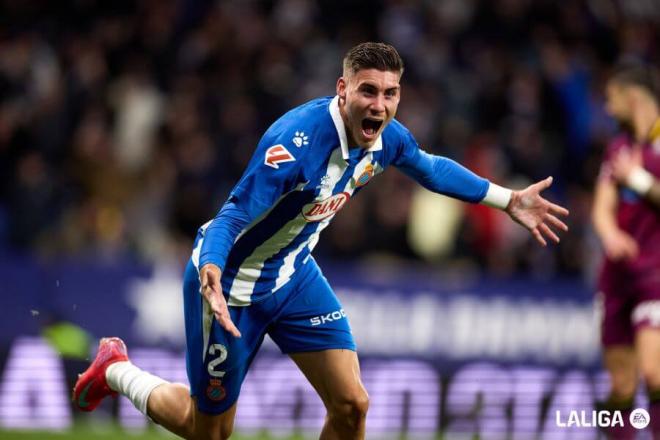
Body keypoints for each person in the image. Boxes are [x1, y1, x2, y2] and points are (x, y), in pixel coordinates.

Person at [73, 42, 568, 440]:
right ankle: (116, 369)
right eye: (368, 91)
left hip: (293, 275)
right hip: (232, 286)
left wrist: (507, 200)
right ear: (342, 90)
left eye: (390, 94)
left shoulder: (387, 136)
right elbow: (234, 213)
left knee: (352, 406)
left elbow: (430, 166)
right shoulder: (294, 146)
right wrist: (213, 270)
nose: (379, 105)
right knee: (206, 431)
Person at [593, 64, 660, 438]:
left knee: (655, 372)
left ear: (632, 98)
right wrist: (609, 234)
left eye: (611, 98)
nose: (607, 108)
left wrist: (638, 180)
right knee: (621, 384)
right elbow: (603, 206)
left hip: (656, 273)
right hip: (617, 275)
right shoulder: (618, 147)